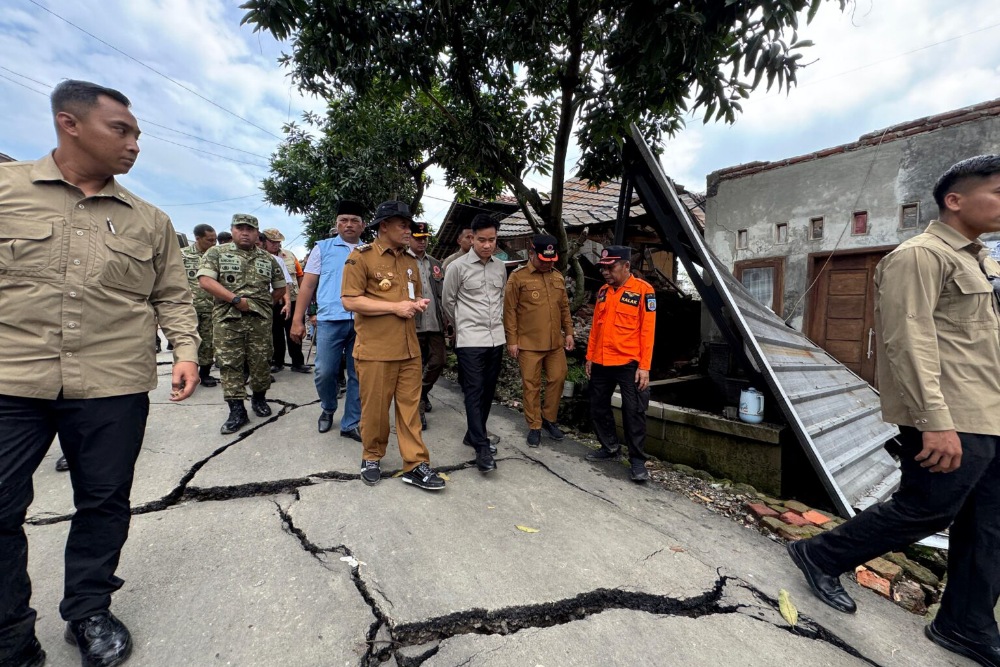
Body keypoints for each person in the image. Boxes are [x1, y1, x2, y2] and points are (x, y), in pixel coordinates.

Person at [0, 79, 200, 667]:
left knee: (103, 503)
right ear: (70, 123)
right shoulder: (6, 192)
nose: (135, 144)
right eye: (122, 130)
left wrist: (186, 351)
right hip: (12, 381)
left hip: (112, 384)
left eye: (137, 133)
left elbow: (173, 294)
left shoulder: (150, 220)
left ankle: (88, 608)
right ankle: (11, 638)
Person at [788, 155, 1000, 667]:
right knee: (925, 510)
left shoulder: (981, 260)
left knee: (990, 524)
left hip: (990, 413)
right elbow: (909, 342)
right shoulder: (920, 256)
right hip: (951, 414)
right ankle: (820, 554)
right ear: (956, 199)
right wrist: (934, 422)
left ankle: (965, 624)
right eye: (997, 192)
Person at [341, 200, 446, 491]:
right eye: (403, 225)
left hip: (409, 349)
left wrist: (416, 304)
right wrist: (395, 308)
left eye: (410, 226)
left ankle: (414, 464)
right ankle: (371, 456)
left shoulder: (410, 261)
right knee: (375, 410)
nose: (408, 231)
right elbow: (350, 300)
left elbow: (410, 299)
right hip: (376, 350)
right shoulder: (361, 258)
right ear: (383, 226)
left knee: (410, 410)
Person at [197, 214, 286, 434]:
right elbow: (205, 281)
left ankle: (259, 399)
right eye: (240, 228)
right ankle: (237, 410)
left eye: (250, 229)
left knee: (261, 361)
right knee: (229, 364)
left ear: (257, 234)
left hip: (260, 321)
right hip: (228, 320)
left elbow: (281, 288)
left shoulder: (268, 259)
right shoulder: (216, 253)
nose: (244, 232)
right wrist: (235, 300)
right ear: (232, 230)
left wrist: (262, 304)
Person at [290, 201, 364, 440]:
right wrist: (297, 319)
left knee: (358, 374)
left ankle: (351, 422)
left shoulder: (370, 251)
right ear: (336, 224)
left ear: (363, 226)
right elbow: (308, 284)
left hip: (363, 321)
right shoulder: (322, 248)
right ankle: (328, 408)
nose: (349, 225)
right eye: (344, 220)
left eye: (354, 220)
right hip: (331, 320)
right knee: (324, 370)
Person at [585, 245, 656, 482]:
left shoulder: (644, 291)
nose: (605, 272)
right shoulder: (603, 292)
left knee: (633, 411)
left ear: (626, 266)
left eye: (610, 267)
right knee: (597, 405)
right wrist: (590, 357)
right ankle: (610, 447)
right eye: (603, 267)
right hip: (602, 361)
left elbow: (648, 332)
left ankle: (637, 461)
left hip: (629, 363)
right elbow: (596, 327)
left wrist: (644, 366)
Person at [443, 214, 507, 473]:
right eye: (481, 240)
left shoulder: (500, 267)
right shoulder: (457, 267)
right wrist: (461, 327)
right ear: (472, 239)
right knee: (474, 389)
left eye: (492, 240)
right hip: (469, 339)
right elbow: (448, 301)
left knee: (488, 390)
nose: (487, 245)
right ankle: (481, 446)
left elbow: (500, 297)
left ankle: (473, 433)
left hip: (496, 338)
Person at [503, 234, 575, 447]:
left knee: (558, 378)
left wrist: (569, 332)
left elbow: (564, 307)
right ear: (532, 253)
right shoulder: (517, 278)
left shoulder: (558, 277)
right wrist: (512, 340)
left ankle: (549, 419)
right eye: (543, 260)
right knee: (531, 385)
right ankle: (534, 425)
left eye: (550, 260)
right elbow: (510, 311)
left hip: (555, 343)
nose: (547, 264)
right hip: (528, 343)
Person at [407, 221, 446, 430]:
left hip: (435, 322)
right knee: (415, 367)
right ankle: (418, 409)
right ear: (409, 239)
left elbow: (443, 294)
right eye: (417, 238)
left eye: (425, 238)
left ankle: (421, 394)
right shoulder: (402, 260)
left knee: (438, 361)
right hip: (413, 323)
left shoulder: (435, 262)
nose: (422, 242)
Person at [261, 228, 310, 374]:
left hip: (294, 299)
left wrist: (304, 295)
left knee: (294, 330)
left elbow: (300, 276)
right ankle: (278, 361)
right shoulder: (260, 257)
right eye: (272, 242)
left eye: (278, 242)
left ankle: (298, 362)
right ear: (264, 242)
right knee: (275, 332)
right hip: (273, 301)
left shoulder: (289, 256)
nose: (276, 245)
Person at [181, 223, 219, 387]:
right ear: (198, 239)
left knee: (208, 342)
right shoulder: (182, 256)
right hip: (188, 308)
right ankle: (185, 377)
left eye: (215, 240)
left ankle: (205, 374)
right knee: (186, 343)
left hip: (211, 307)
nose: (213, 243)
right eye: (210, 240)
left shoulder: (217, 255)